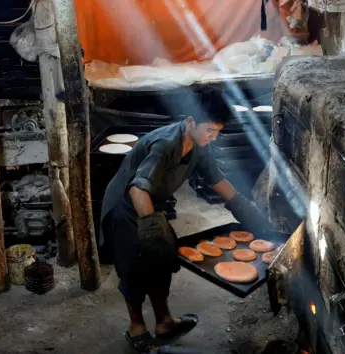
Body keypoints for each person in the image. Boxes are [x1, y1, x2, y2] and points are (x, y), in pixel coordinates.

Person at [100, 91, 269, 352]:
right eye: (209, 130)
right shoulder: (165, 144)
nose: (212, 137)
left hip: (150, 206)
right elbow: (137, 190)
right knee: (135, 267)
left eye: (217, 132)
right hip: (125, 207)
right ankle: (137, 328)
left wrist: (248, 213)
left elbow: (218, 181)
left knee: (162, 262)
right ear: (191, 121)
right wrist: (154, 231)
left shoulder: (201, 146)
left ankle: (164, 322)